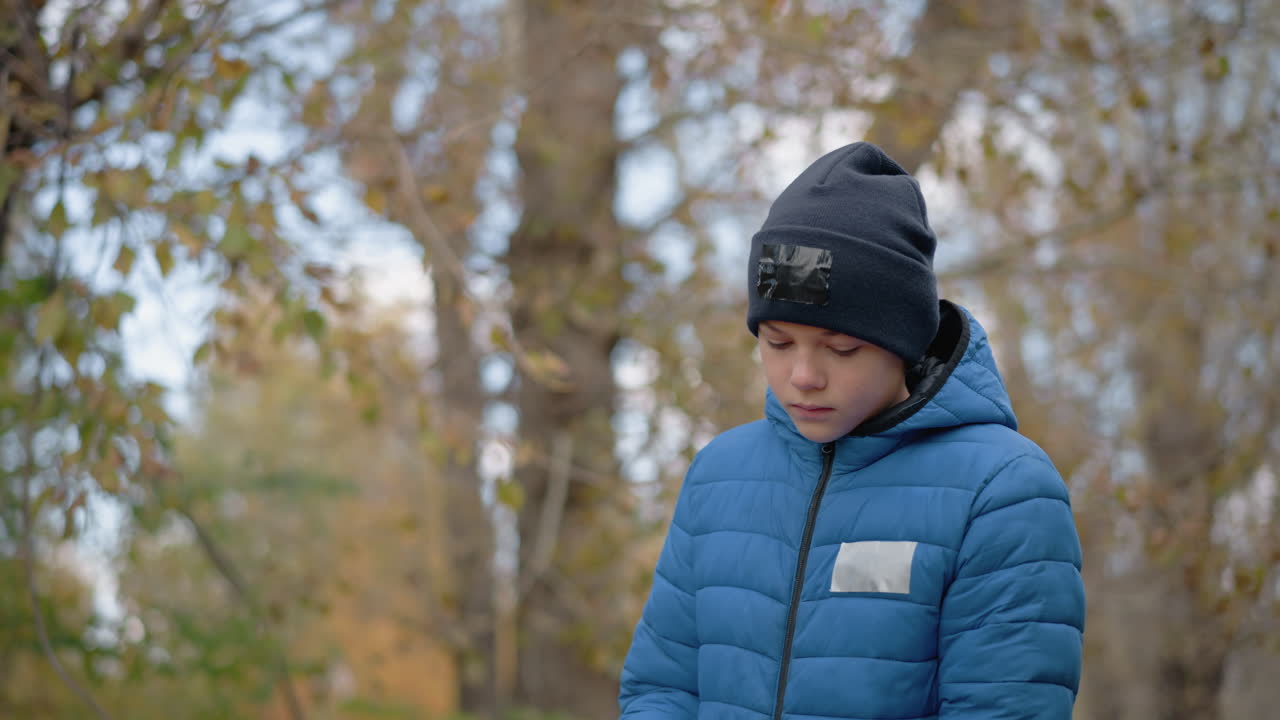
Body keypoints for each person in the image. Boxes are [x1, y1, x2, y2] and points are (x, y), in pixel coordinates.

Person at [617, 142, 1086, 720]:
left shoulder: (1004, 490)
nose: (803, 376)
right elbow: (661, 688)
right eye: (778, 342)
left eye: (841, 348)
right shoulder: (719, 474)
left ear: (903, 341)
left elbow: (1004, 709)